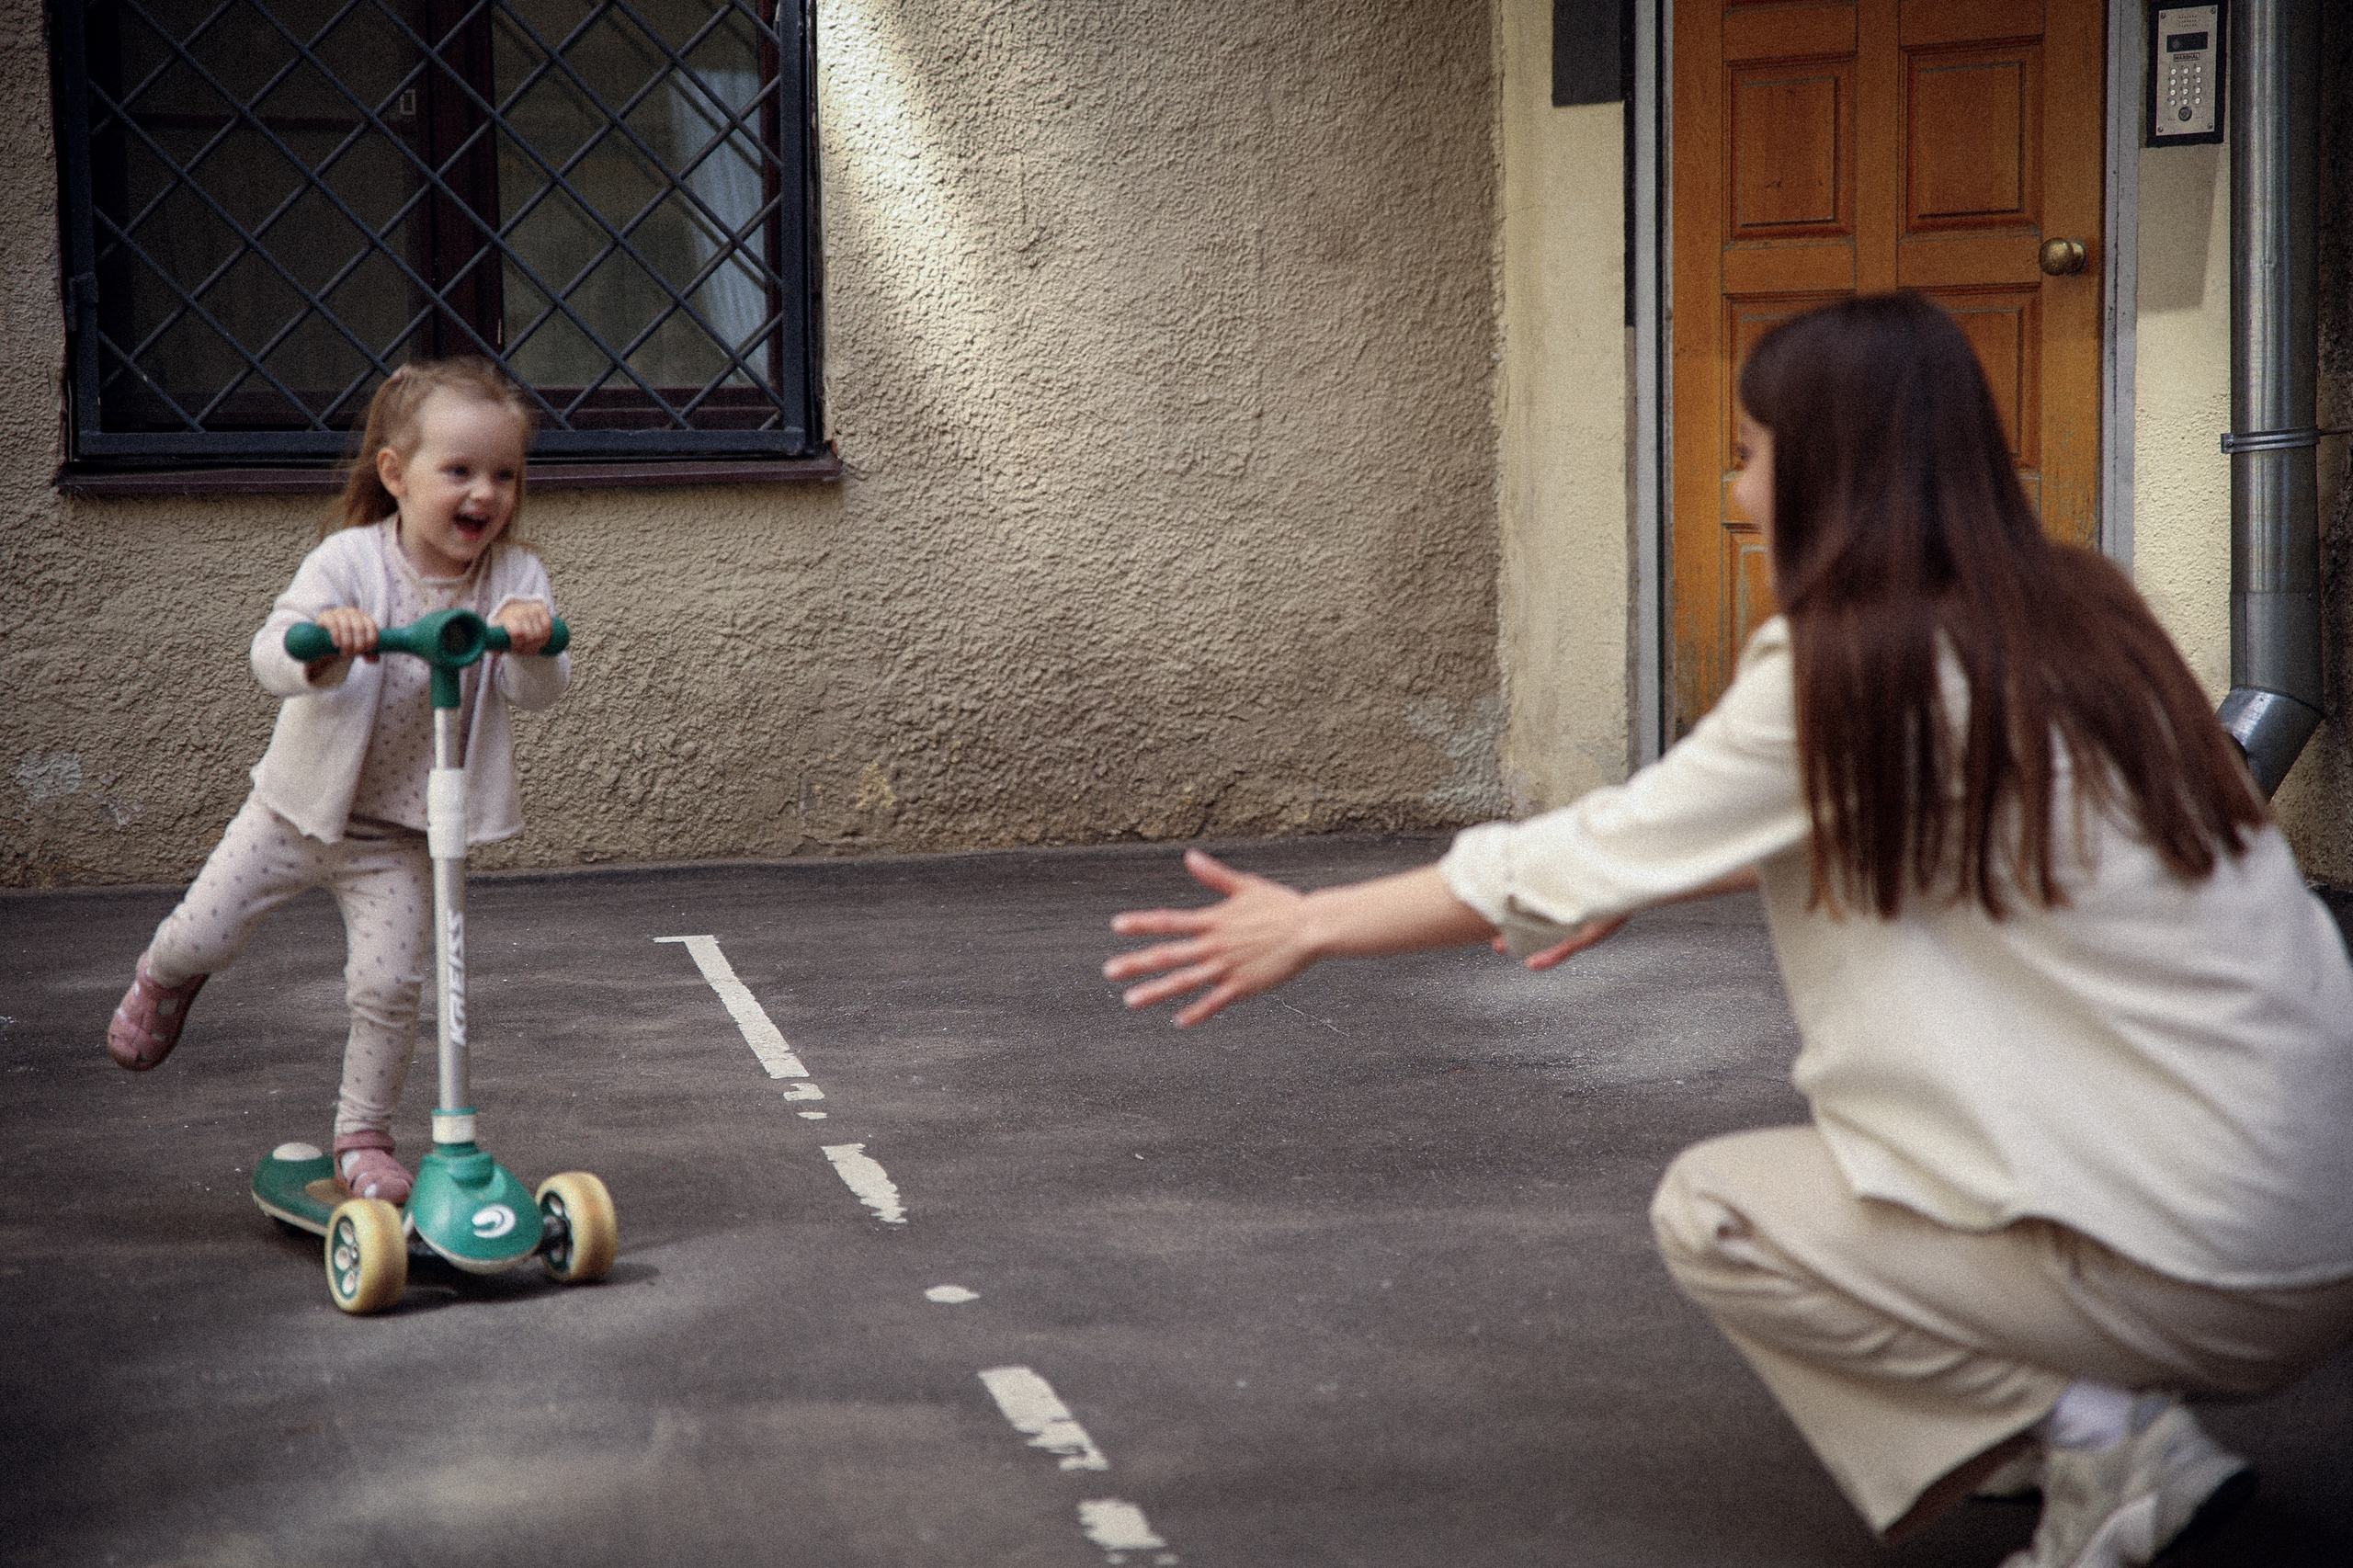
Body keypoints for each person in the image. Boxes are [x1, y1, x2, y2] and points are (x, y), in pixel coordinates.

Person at [1104, 293, 2353, 1568]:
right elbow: (1871, 812)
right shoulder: (2085, 617)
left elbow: (1573, 852)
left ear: (1826, 469)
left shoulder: (1852, 665)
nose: (1738, 490)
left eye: (1751, 453)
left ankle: (2110, 1448)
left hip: (2209, 1260)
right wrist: (1646, 879)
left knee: (1723, 1210)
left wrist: (1308, 921)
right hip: (2321, 1220)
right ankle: (2055, 1410)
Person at [107, 358, 569, 1208]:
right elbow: (270, 653)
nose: (485, 493)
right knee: (202, 935)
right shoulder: (350, 561)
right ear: (395, 474)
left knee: (389, 988)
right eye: (459, 471)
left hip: (400, 836)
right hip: (291, 814)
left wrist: (532, 641)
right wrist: (324, 640)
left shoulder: (514, 581)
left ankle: (362, 1137)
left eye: (504, 474)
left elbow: (538, 690)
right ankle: (166, 976)